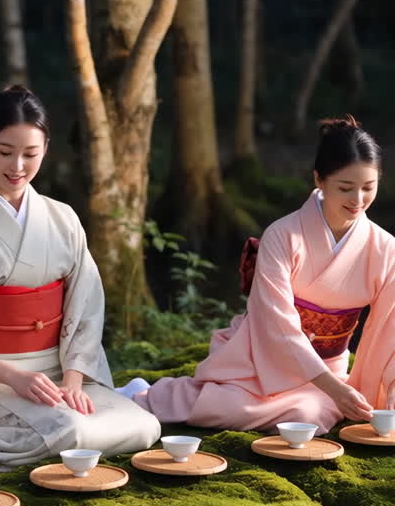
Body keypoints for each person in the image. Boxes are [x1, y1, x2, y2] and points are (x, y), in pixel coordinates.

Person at [0, 85, 161, 469]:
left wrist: (73, 380)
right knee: (72, 433)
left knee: (144, 427)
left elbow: (86, 308)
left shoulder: (63, 219)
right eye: (5, 152)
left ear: (46, 150)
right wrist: (14, 377)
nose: (17, 166)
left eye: (30, 154)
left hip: (59, 371)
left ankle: (93, 398)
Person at [130, 116, 395, 434]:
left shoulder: (384, 248)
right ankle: (149, 393)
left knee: (309, 416)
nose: (358, 200)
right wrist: (335, 389)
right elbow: (276, 323)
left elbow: (390, 332)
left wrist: (389, 399)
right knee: (227, 408)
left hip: (327, 369)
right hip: (257, 355)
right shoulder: (283, 236)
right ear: (319, 181)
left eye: (369, 187)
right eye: (345, 188)